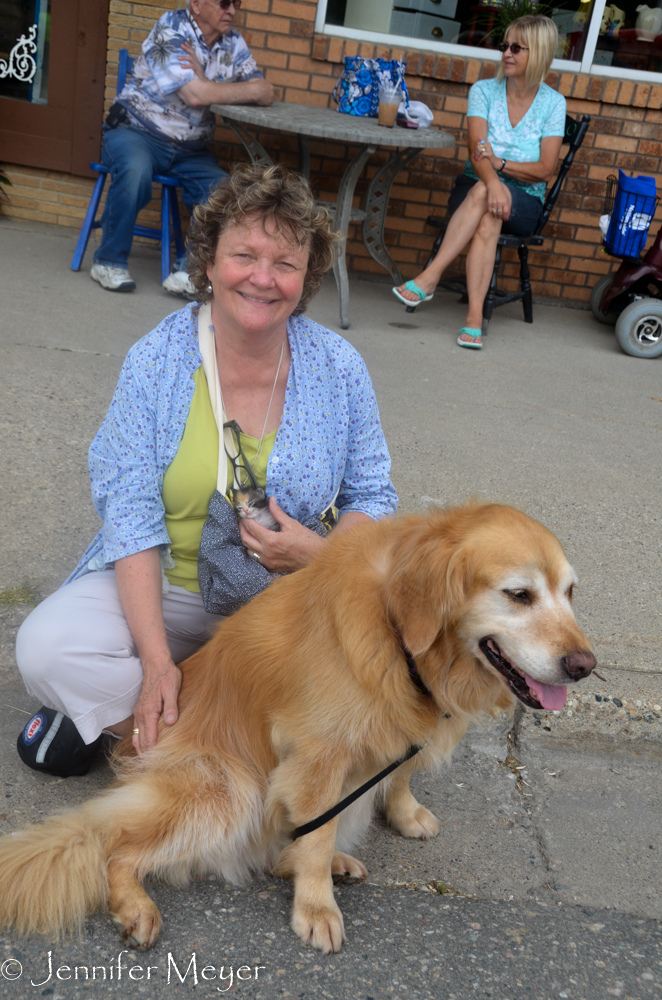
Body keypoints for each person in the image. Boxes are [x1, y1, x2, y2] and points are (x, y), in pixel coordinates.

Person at [16, 163, 398, 778]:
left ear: (308, 277)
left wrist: (320, 557)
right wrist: (156, 660)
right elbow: (130, 517)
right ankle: (198, 729)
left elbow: (373, 494)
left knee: (381, 676)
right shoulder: (156, 361)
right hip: (170, 587)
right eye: (244, 255)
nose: (263, 279)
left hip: (288, 601)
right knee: (46, 648)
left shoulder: (338, 366)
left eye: (285, 264)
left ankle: (165, 738)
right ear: (211, 261)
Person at [392, 15, 565, 350]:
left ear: (539, 53)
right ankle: (473, 320)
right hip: (473, 189)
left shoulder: (553, 104)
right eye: (504, 46)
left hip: (526, 201)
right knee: (488, 209)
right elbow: (476, 150)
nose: (506, 54)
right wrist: (494, 181)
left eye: (517, 48)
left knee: (488, 198)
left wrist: (499, 165)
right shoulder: (484, 91)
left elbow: (545, 169)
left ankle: (429, 279)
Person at [91, 0, 274, 297]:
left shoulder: (234, 44)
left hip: (190, 148)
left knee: (225, 191)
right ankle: (108, 261)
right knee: (135, 171)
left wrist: (207, 82)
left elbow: (265, 92)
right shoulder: (172, 29)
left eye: (237, 3)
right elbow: (195, 95)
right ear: (197, 3)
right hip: (137, 131)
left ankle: (190, 271)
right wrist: (213, 87)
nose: (232, 10)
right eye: (224, 2)